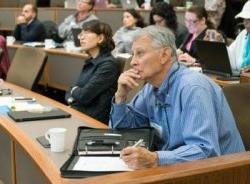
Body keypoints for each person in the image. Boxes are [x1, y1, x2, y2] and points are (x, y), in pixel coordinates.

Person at [109, 25, 245, 170]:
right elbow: (125, 132)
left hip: (223, 173)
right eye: (133, 54)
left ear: (164, 55)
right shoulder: (150, 87)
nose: (133, 61)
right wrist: (121, 97)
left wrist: (155, 158)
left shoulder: (192, 88)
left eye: (140, 53)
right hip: (179, 169)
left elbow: (205, 151)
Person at [65, 20, 120, 124]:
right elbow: (72, 90)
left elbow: (84, 96)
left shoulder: (108, 65)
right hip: (79, 112)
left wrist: (74, 91)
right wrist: (73, 95)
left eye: (86, 33)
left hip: (92, 120)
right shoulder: (91, 61)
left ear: (100, 38)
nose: (81, 37)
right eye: (81, 34)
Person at [227, 0, 250, 72]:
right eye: (245, 19)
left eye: (249, 19)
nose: (246, 23)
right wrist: (219, 42)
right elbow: (231, 58)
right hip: (240, 81)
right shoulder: (243, 34)